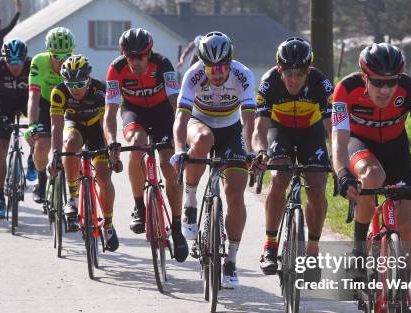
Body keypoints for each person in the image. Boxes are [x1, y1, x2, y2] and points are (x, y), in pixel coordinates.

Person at [332, 43, 411, 313]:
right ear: (364, 77)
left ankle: (401, 297)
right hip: (359, 146)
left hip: (397, 150)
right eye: (378, 82)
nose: (385, 90)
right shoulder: (345, 90)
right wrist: (343, 174)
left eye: (391, 82)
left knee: (407, 221)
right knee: (372, 175)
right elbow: (338, 141)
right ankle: (359, 254)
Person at [171, 31, 255, 288]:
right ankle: (190, 200)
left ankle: (230, 259)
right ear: (203, 63)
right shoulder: (193, 75)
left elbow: (249, 119)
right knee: (202, 140)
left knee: (235, 194)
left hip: (231, 129)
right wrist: (178, 149)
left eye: (222, 67)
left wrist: (250, 149)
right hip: (200, 122)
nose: (217, 73)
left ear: (230, 63)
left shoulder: (243, 75)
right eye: (211, 67)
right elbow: (181, 118)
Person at [104, 27, 188, 262]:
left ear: (149, 53)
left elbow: (176, 103)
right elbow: (109, 113)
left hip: (163, 113)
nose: (136, 61)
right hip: (134, 112)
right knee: (137, 145)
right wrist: (111, 142)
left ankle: (177, 227)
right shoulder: (116, 69)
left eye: (140, 56)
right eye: (130, 56)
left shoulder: (163, 65)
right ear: (124, 55)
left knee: (168, 163)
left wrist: (181, 136)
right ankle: (139, 206)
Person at [254, 37, 334, 282]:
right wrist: (260, 152)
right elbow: (259, 129)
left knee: (317, 187)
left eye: (300, 73)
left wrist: (339, 161)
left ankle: (312, 249)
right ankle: (270, 244)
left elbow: (333, 129)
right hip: (281, 131)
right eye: (288, 72)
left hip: (311, 133)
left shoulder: (322, 84)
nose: (293, 79)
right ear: (280, 69)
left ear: (308, 71)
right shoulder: (269, 84)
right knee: (278, 178)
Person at [48, 55, 120, 251]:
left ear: (88, 79)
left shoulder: (101, 90)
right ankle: (72, 197)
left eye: (80, 83)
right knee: (70, 143)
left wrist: (113, 152)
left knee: (104, 177)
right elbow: (56, 126)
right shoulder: (59, 92)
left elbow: (108, 122)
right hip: (75, 126)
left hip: (97, 129)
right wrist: (55, 153)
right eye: (70, 83)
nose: (75, 89)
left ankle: (108, 224)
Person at [26, 27, 75, 205]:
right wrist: (32, 125)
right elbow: (33, 96)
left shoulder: (75, 63)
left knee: (72, 146)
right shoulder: (39, 61)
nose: (62, 62)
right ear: (49, 53)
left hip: (69, 104)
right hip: (46, 103)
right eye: (57, 56)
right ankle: (41, 180)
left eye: (66, 56)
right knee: (41, 146)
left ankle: (74, 193)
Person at [0, 39, 30, 219]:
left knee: (38, 130)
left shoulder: (32, 65)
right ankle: (0, 199)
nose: (16, 66)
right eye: (12, 61)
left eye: (19, 61)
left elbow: (40, 96)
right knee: (1, 148)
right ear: (5, 59)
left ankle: (33, 159)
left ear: (25, 59)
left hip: (27, 102)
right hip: (4, 106)